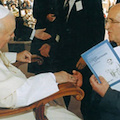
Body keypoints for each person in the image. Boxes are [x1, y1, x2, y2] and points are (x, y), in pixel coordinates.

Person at [0, 5, 82, 120]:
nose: (13, 36)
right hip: (13, 111)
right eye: (9, 34)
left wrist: (16, 56)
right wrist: (54, 78)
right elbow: (13, 97)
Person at [54, 0, 105, 115]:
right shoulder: (62, 3)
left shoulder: (92, 2)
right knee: (63, 93)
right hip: (64, 57)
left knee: (86, 97)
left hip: (83, 59)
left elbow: (98, 32)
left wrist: (87, 56)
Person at [89, 3, 120, 120]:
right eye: (107, 21)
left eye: (112, 21)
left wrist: (107, 94)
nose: (107, 27)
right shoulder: (109, 50)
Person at [28, 0, 60, 74]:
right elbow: (35, 13)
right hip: (42, 31)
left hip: (56, 32)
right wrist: (46, 16)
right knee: (40, 65)